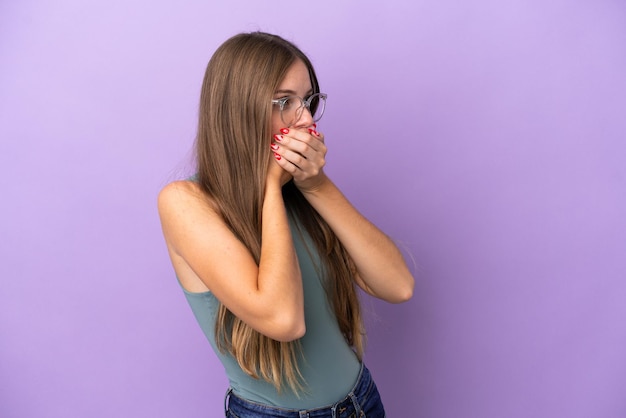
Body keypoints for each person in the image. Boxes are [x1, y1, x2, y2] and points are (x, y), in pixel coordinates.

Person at [157, 31, 414, 418]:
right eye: (285, 102)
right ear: (238, 109)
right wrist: (270, 190)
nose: (306, 119)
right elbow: (283, 320)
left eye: (308, 101)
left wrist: (317, 185)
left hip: (362, 402)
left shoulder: (304, 189)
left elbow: (399, 285)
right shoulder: (185, 202)